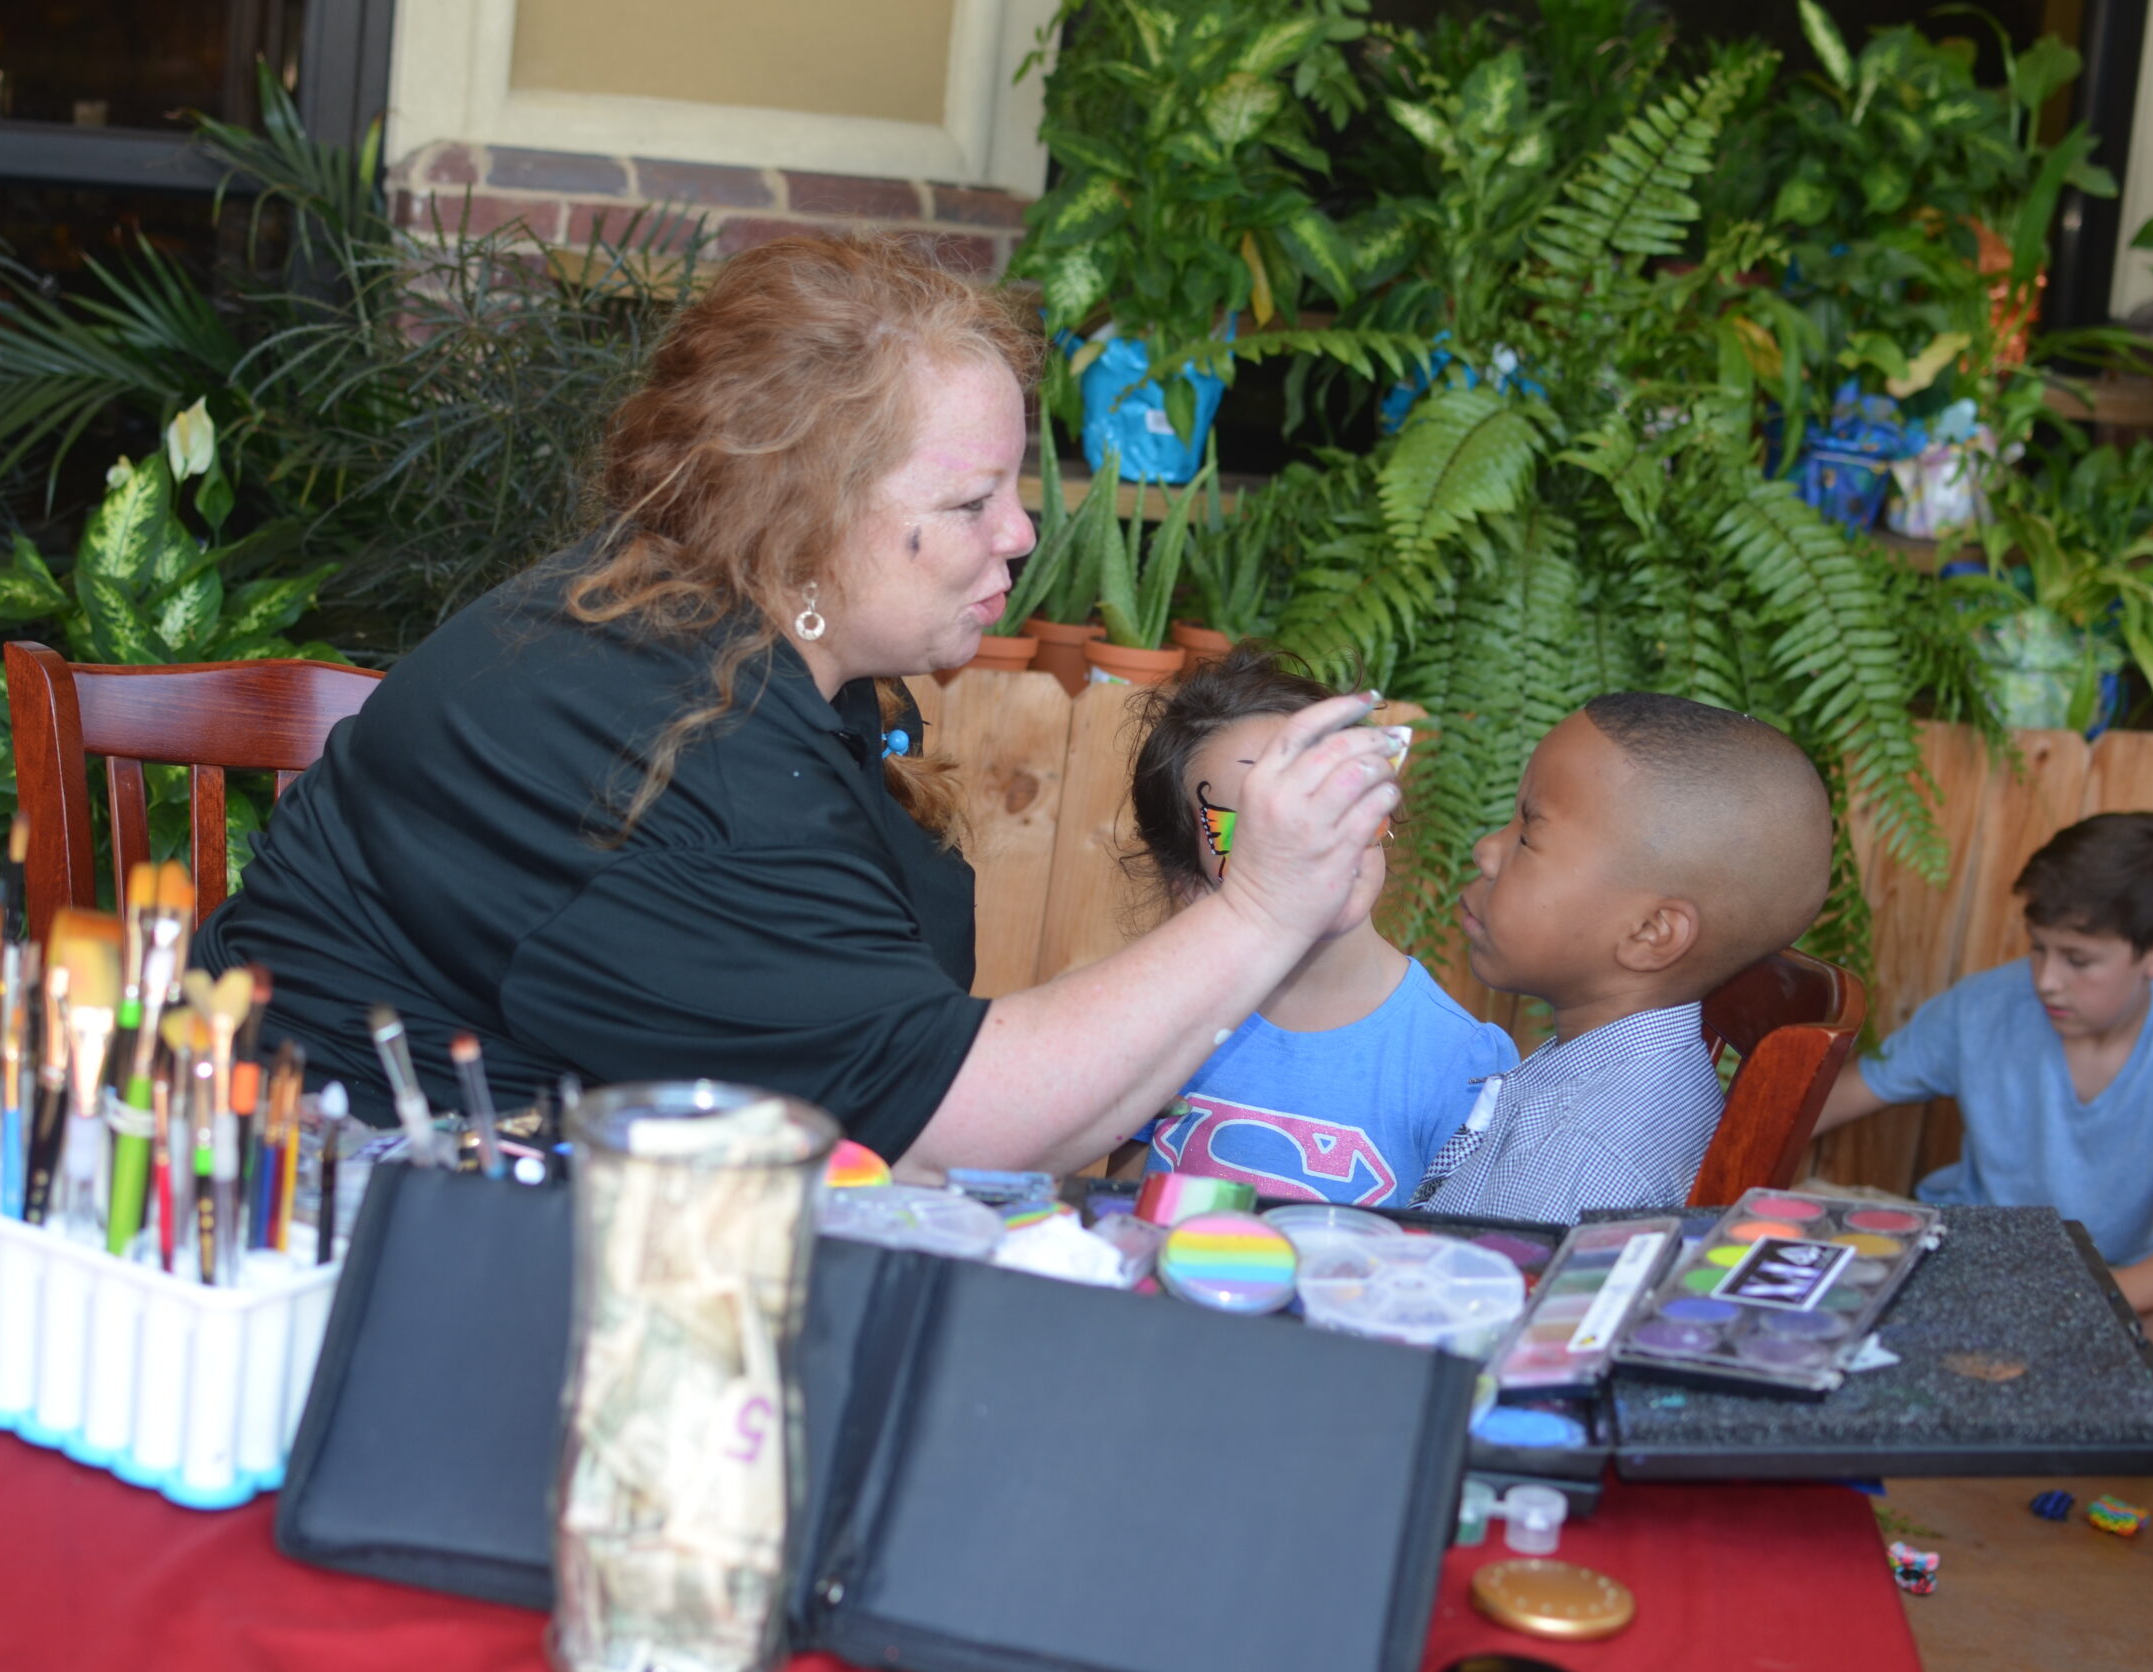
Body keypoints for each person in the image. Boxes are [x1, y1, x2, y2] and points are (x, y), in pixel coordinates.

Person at [192, 233, 1402, 1176]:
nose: (1021, 534)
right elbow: (959, 1122)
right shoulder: (666, 743)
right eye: (973, 499)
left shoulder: (720, 640)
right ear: (806, 513)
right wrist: (1259, 911)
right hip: (341, 1222)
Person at [1815, 813, 2153, 1381]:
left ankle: (2027, 1362)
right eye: (2038, 950)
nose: (2047, 980)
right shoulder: (1981, 1007)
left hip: (2114, 1285)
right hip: (1972, 1264)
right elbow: (1838, 1096)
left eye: (2078, 960)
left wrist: (2071, 1303)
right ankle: (2045, 1368)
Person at [1410, 693, 1833, 1221]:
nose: (1486, 851)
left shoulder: (1578, 1159)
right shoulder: (1598, 1076)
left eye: (1527, 834)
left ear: (1650, 933)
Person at [1122, 651, 1517, 1203]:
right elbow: (1120, 1209)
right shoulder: (1155, 1023)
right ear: (1187, 879)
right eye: (1256, 826)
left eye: (1335, 794)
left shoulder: (1461, 1064)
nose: (1315, 839)